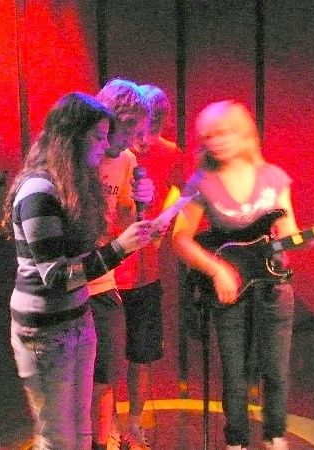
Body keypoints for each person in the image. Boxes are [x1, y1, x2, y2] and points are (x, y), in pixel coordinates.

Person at [171, 100, 314, 450]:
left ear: (244, 133)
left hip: (274, 285)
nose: (216, 142)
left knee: (276, 369)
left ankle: (274, 437)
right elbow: (180, 239)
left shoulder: (273, 178)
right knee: (234, 373)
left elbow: (291, 237)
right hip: (230, 290)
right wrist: (217, 270)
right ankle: (236, 441)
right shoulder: (201, 182)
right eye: (208, 137)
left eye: (223, 133)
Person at [0, 92, 156, 450]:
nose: (104, 146)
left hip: (77, 319)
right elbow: (56, 277)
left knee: (81, 432)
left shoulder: (74, 185)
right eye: (98, 138)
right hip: (43, 330)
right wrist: (120, 248)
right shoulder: (39, 190)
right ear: (71, 138)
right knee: (57, 438)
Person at [114, 84, 185, 449]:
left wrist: (164, 220)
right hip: (110, 271)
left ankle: (135, 424)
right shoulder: (113, 152)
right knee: (106, 356)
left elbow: (181, 190)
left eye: (153, 132)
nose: (144, 141)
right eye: (140, 132)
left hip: (145, 270)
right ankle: (108, 425)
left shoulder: (170, 152)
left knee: (141, 355)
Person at [90, 78, 155, 450]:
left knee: (105, 373)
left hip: (104, 278)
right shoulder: (78, 155)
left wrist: (142, 201)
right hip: (70, 279)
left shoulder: (127, 161)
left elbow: (125, 219)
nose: (134, 140)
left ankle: (104, 440)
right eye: (130, 129)